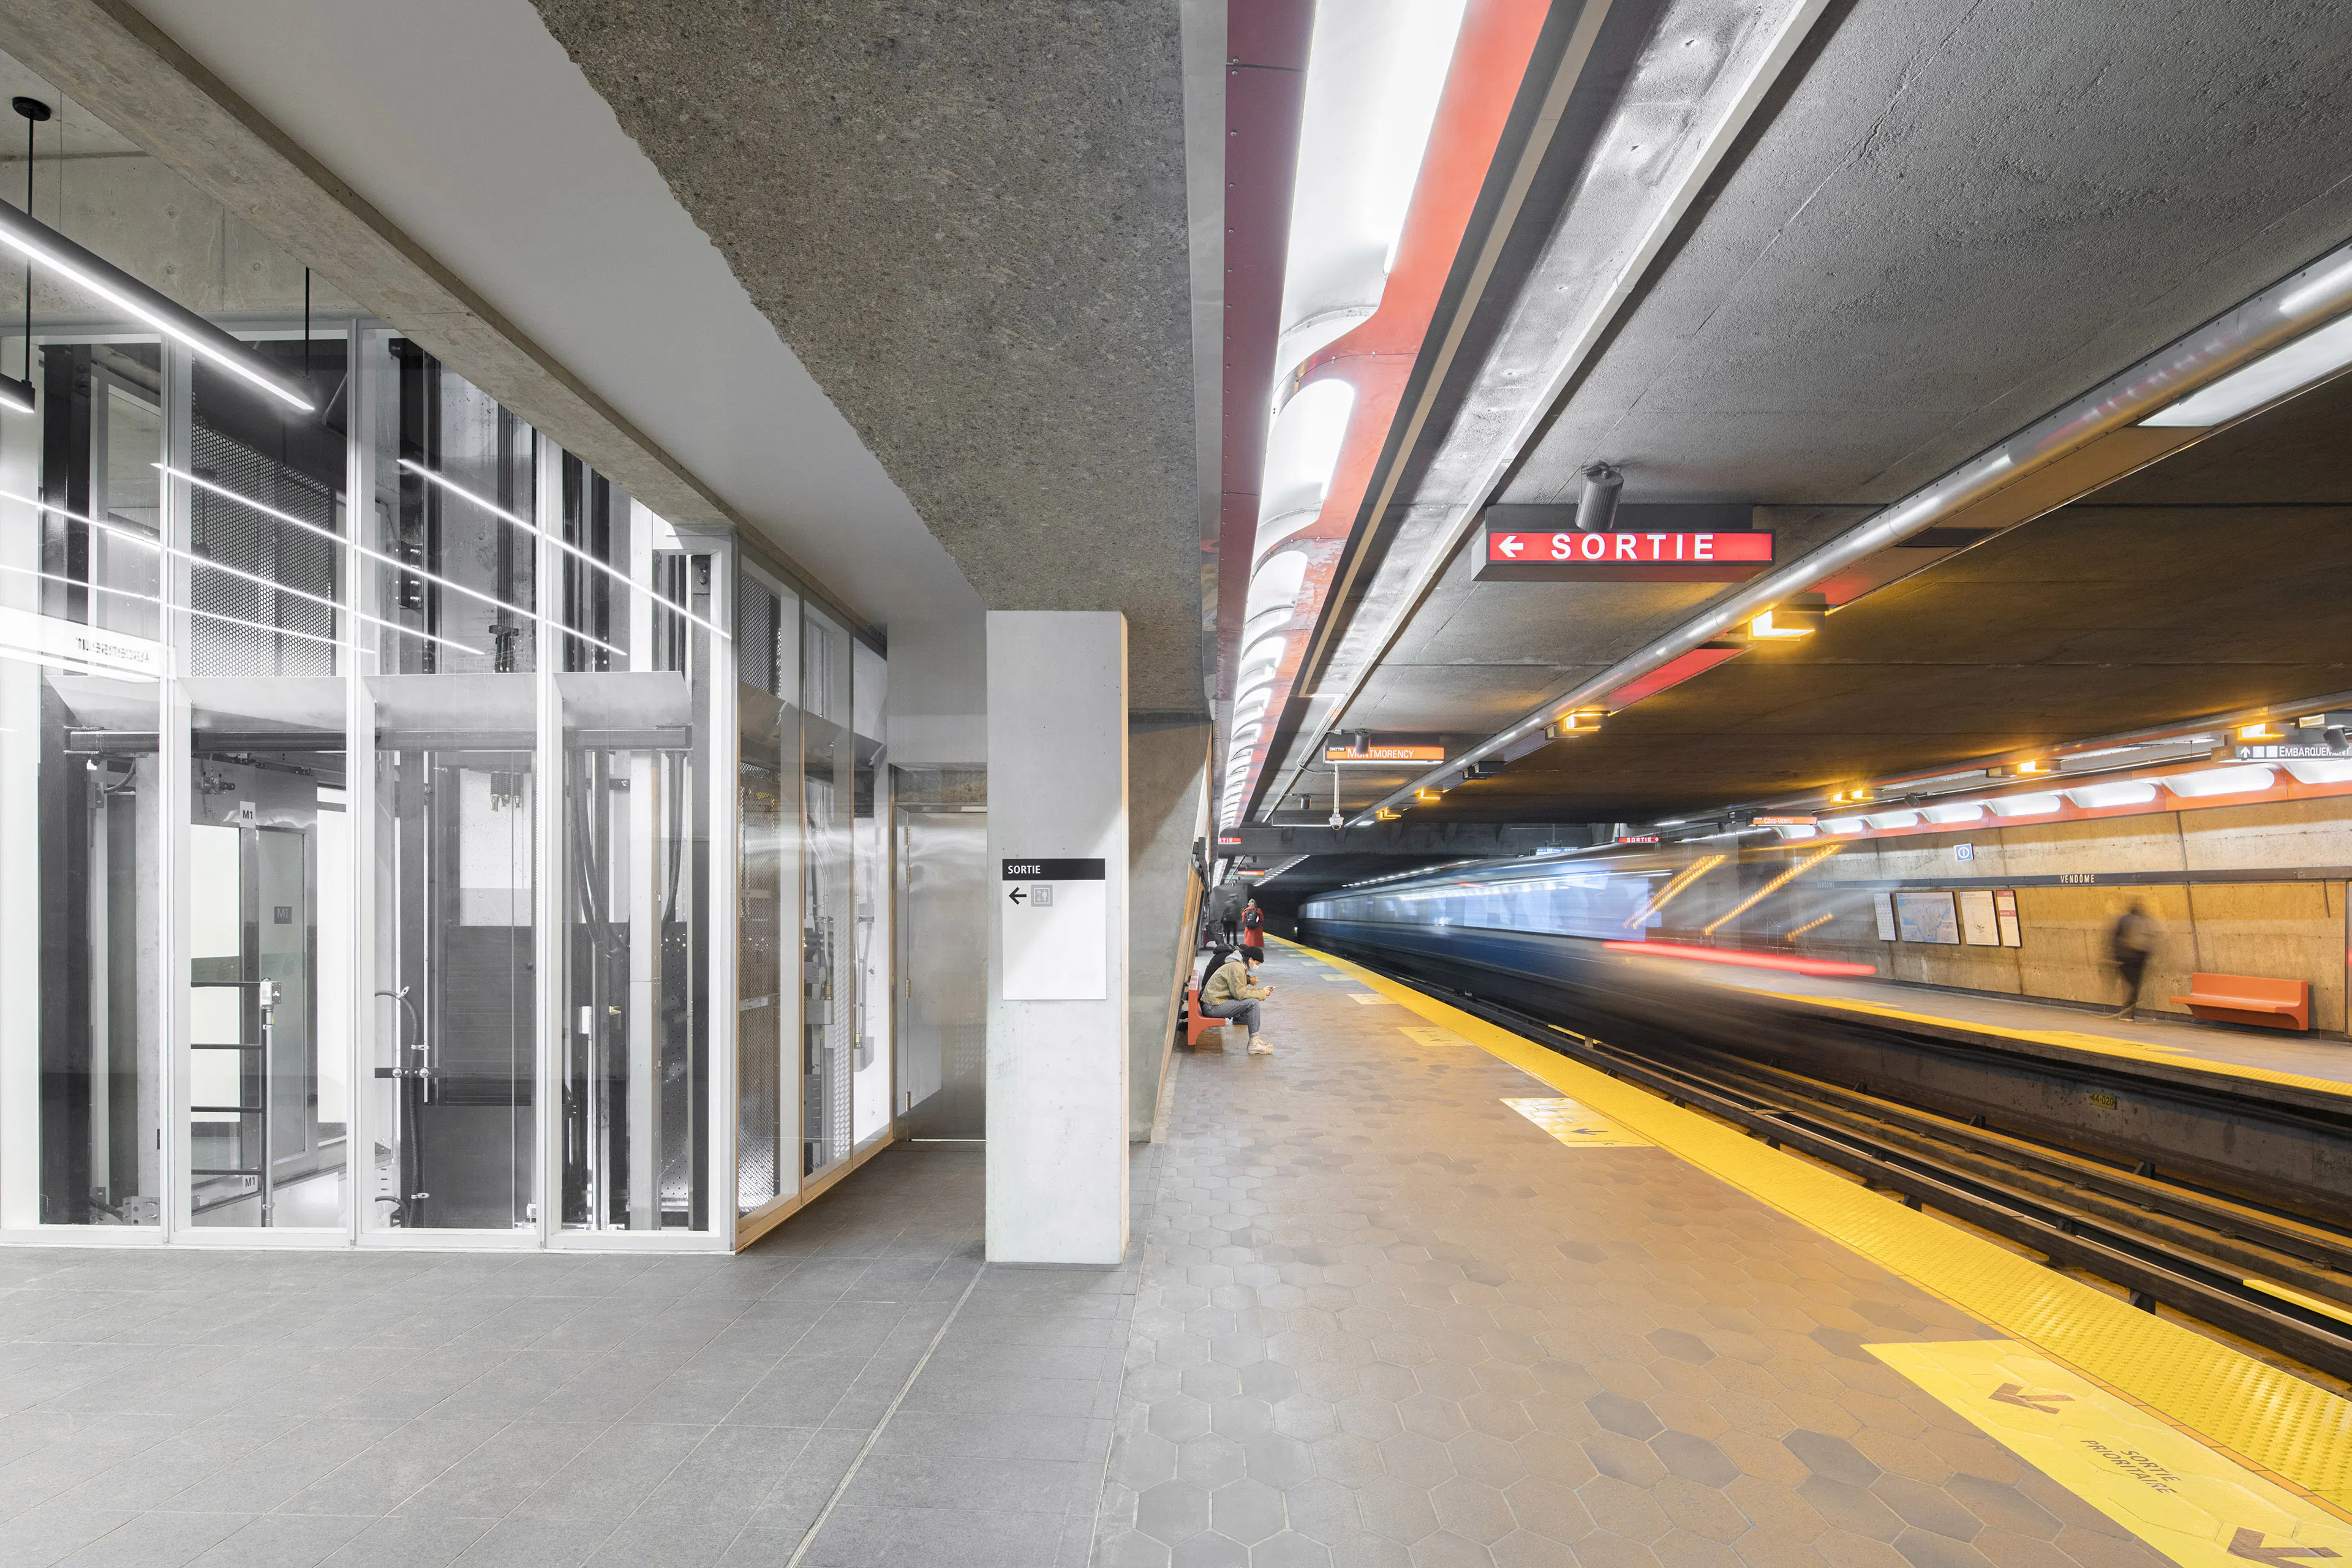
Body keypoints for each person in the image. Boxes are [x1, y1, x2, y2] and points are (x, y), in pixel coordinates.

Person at [1199, 944, 1275, 1055]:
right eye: (1257, 963)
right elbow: (1240, 994)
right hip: (1213, 1006)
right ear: (1250, 960)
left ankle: (1256, 1040)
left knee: (1252, 1002)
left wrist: (1261, 991)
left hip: (1214, 1002)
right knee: (1253, 1004)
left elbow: (1239, 991)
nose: (1257, 967)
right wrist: (1261, 993)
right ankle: (1254, 1044)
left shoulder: (1238, 965)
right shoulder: (1237, 968)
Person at [2108, 900, 2156, 1021]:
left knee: (2133, 987)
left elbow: (2115, 939)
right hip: (2137, 959)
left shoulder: (2124, 920)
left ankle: (2128, 1013)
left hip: (2127, 959)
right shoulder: (2143, 921)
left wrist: (2116, 957)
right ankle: (2127, 1013)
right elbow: (2148, 942)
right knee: (2135, 987)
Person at [1239, 897, 1265, 963]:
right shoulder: (1258, 910)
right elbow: (1262, 920)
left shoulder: (1245, 911)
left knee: (1249, 942)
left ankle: (1250, 952)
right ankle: (1256, 952)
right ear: (1255, 904)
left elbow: (1243, 921)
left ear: (1249, 904)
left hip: (1248, 929)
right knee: (1256, 942)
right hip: (1257, 929)